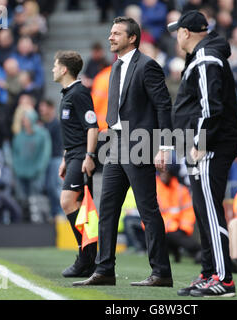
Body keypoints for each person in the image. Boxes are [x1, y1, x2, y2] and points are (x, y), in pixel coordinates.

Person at [73, 17, 173, 287]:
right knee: (107, 208)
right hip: (116, 143)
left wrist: (164, 147)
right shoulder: (115, 67)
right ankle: (104, 270)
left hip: (140, 144)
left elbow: (163, 106)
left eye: (116, 33)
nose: (110, 37)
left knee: (147, 210)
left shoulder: (148, 66)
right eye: (110, 32)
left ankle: (161, 273)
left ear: (133, 38)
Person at [168, 10, 237, 297]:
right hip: (204, 145)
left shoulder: (206, 58)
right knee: (203, 213)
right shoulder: (203, 56)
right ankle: (210, 273)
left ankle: (224, 279)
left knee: (210, 212)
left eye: (178, 31)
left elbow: (211, 108)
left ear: (186, 32)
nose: (176, 36)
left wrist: (200, 143)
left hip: (210, 146)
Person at [52, 50, 99, 278]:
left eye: (55, 65)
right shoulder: (67, 94)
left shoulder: (79, 93)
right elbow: (72, 130)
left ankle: (86, 257)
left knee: (67, 201)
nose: (52, 69)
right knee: (77, 205)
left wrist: (89, 156)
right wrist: (64, 158)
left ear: (63, 69)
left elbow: (92, 127)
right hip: (72, 154)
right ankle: (89, 258)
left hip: (81, 154)